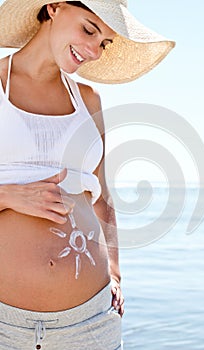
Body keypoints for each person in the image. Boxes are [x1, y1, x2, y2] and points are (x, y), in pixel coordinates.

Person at [0, 0, 175, 349]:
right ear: (54, 7)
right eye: (89, 30)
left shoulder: (89, 101)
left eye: (104, 43)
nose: (94, 51)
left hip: (91, 320)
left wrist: (114, 272)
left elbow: (103, 198)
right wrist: (8, 195)